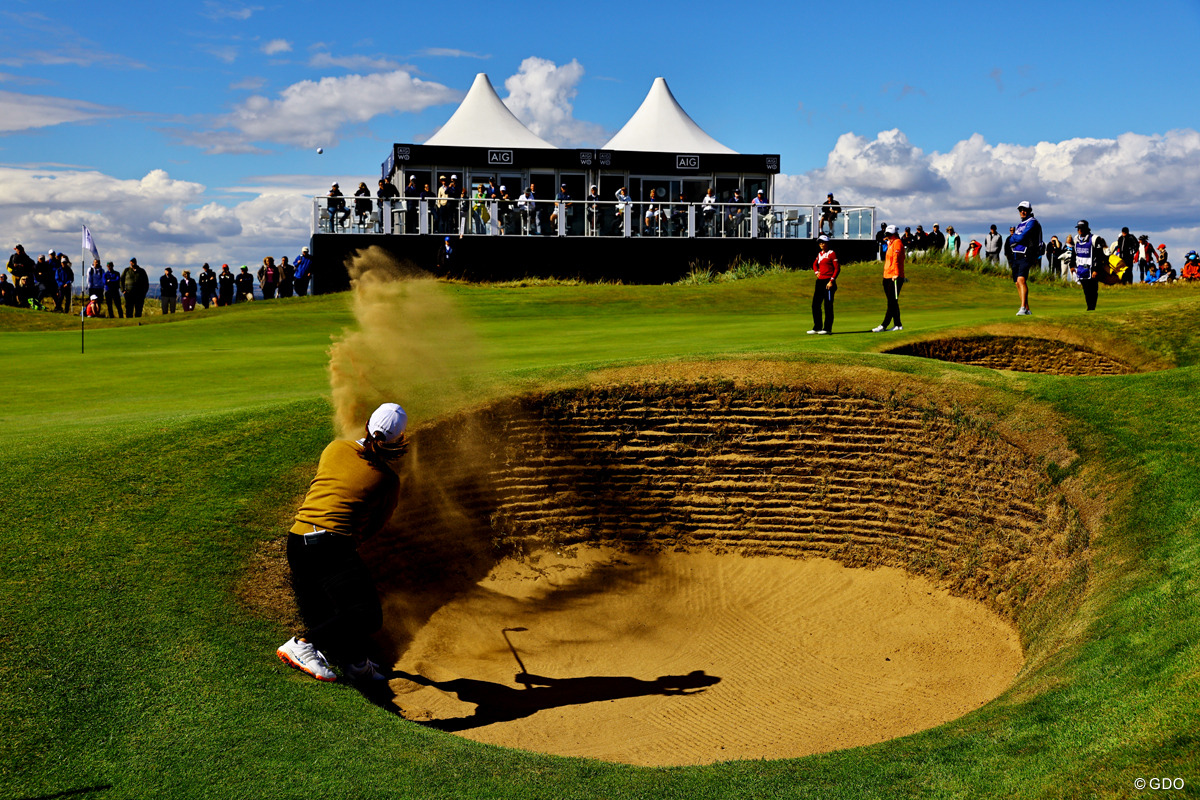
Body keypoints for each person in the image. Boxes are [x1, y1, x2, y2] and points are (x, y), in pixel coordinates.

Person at [275, 402, 409, 684]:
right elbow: (373, 527)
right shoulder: (387, 480)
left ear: (367, 426)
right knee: (367, 614)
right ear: (400, 440)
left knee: (342, 607)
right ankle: (302, 644)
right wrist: (351, 543)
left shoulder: (335, 448)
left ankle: (357, 664)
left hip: (297, 541)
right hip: (329, 547)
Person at [1009, 201, 1043, 316]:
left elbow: (1022, 237)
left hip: (1027, 254)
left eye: (1025, 210)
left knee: (1021, 280)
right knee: (1017, 283)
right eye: (1020, 210)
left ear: (1029, 211)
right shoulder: (1020, 224)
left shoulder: (1032, 222)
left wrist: (1016, 238)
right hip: (1016, 255)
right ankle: (1027, 309)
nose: (1022, 212)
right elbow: (1011, 240)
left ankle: (1023, 307)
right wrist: (1015, 238)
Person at [872, 224, 905, 332]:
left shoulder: (897, 243)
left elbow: (896, 259)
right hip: (887, 275)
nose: (889, 236)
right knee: (892, 302)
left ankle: (884, 325)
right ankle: (898, 325)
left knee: (892, 302)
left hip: (894, 276)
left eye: (890, 234)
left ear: (895, 234)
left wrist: (896, 273)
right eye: (887, 234)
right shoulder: (890, 243)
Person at [808, 235, 840, 335]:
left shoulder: (832, 253)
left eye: (823, 242)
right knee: (815, 305)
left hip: (829, 282)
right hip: (820, 282)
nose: (821, 244)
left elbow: (837, 269)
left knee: (828, 306)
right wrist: (816, 272)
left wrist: (831, 281)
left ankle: (827, 328)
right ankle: (817, 327)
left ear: (827, 243)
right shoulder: (820, 254)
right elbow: (814, 264)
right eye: (820, 242)